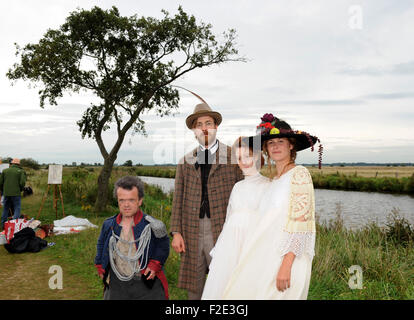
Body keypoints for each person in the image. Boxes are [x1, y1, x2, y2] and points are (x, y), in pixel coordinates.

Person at [222, 113, 322, 299]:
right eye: (271, 143)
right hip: (267, 256)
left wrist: (286, 266)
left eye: (281, 141)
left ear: (291, 145)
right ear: (266, 148)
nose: (275, 146)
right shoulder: (274, 180)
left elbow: (301, 223)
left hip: (286, 261)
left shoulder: (299, 174)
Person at [170, 99, 244, 300]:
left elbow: (245, 195)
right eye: (198, 125)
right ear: (194, 130)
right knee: (195, 287)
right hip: (192, 229)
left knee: (224, 284)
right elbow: (178, 199)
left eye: (208, 123)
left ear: (216, 127)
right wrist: (176, 232)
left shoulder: (233, 157)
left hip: (224, 228)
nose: (204, 128)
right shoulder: (185, 161)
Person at [201, 136, 269, 299]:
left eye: (248, 156)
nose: (244, 161)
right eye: (239, 158)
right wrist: (220, 249)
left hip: (252, 245)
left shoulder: (268, 185)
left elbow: (268, 223)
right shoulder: (237, 187)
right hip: (230, 247)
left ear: (257, 157)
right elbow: (228, 220)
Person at [94, 176, 170, 300]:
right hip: (117, 282)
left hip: (145, 282)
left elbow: (163, 244)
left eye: (131, 200)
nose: (126, 205)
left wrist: (155, 264)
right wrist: (99, 264)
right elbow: (101, 243)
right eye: (122, 200)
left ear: (140, 201)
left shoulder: (153, 225)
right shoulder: (109, 225)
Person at [0, 158, 26, 230]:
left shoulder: (5, 171)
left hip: (6, 193)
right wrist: (20, 189)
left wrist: (3, 190)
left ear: (11, 163)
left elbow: (0, 183)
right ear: (18, 164)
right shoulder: (21, 171)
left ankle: (3, 226)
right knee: (17, 208)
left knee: (5, 208)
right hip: (16, 193)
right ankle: (14, 226)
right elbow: (22, 183)